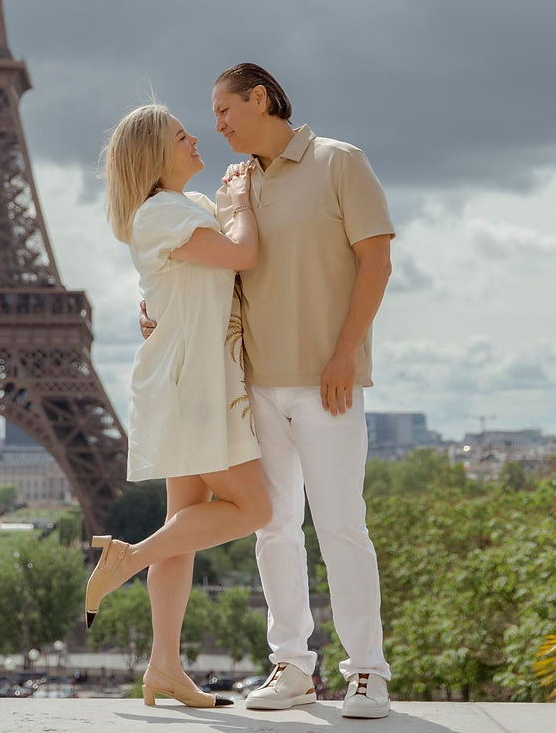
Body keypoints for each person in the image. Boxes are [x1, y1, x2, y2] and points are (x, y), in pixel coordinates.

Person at [141, 64, 395, 719]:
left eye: (225, 110)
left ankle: (365, 671)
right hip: (250, 383)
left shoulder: (340, 163)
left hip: (326, 381)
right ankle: (292, 667)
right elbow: (211, 277)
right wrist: (160, 313)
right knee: (273, 528)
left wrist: (345, 355)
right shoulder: (233, 187)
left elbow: (377, 260)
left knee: (341, 525)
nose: (217, 125)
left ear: (260, 99)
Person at [94, 102, 271, 710]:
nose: (195, 136)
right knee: (254, 507)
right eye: (181, 134)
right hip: (193, 388)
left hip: (188, 381)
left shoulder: (183, 209)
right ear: (154, 155)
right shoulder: (162, 213)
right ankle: (127, 560)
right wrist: (244, 202)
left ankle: (163, 667)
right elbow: (243, 255)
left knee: (183, 530)